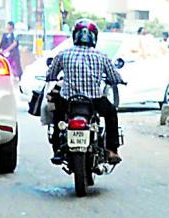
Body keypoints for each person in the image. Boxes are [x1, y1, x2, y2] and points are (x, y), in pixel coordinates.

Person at [46, 19, 125, 165]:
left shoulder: (63, 54)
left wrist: (54, 76)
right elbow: (115, 77)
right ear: (94, 37)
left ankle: (57, 149)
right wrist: (119, 80)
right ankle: (112, 149)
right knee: (111, 113)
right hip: (94, 101)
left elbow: (50, 75)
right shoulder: (101, 56)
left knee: (58, 114)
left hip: (68, 100)